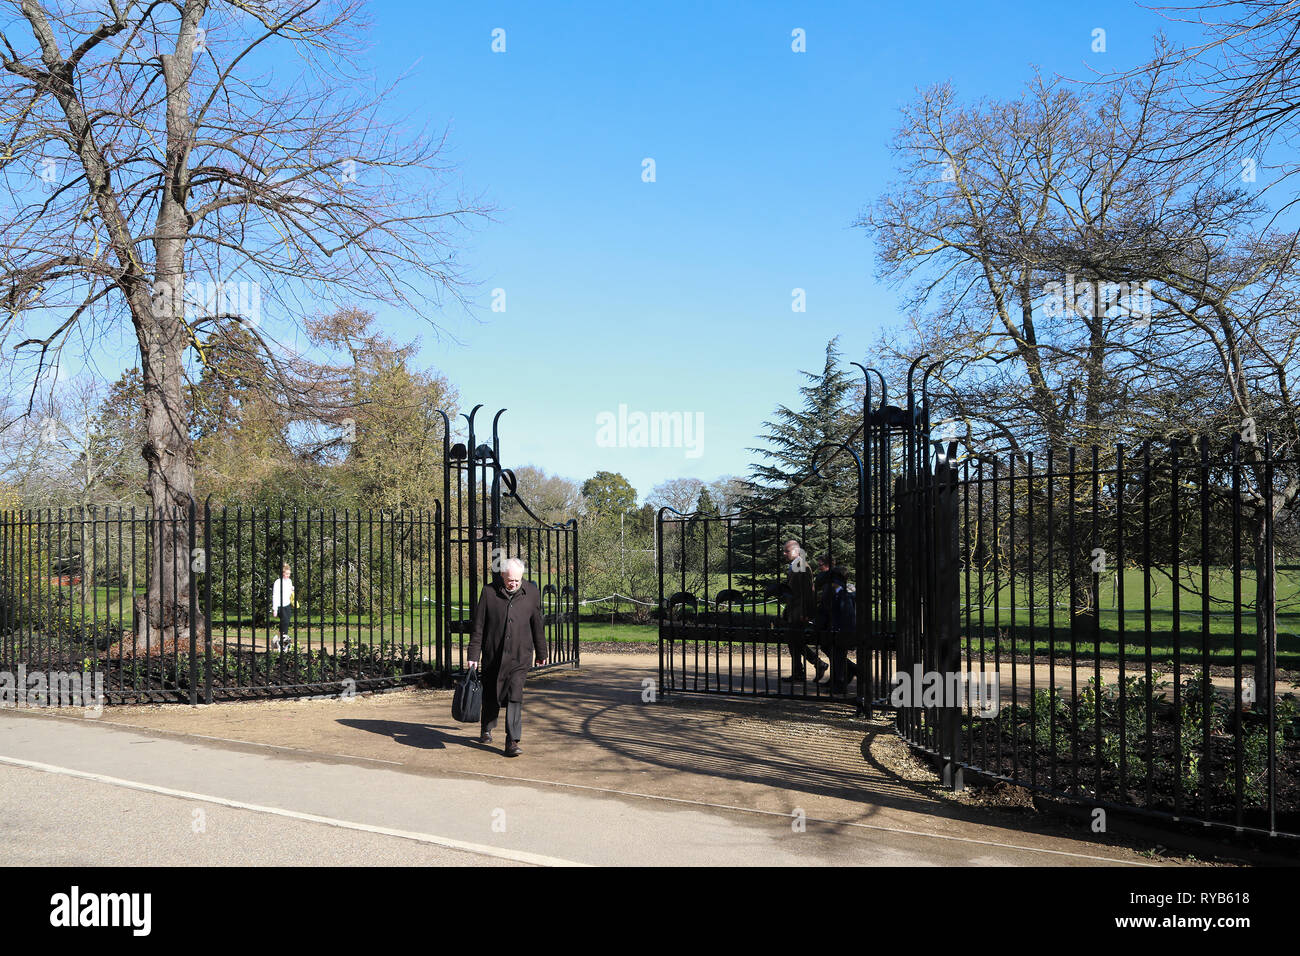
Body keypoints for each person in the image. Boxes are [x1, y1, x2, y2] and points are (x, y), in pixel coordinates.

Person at [467, 557, 547, 757]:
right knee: (492, 694)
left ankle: (512, 740)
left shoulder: (532, 593)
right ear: (502, 575)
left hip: (520, 656)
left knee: (514, 696)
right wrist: (473, 655)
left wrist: (542, 652)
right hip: (493, 654)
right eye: (510, 579)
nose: (514, 584)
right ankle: (486, 726)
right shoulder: (488, 592)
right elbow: (478, 627)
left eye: (517, 580)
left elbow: (537, 625)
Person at [780, 539, 826, 683]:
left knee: (795, 641)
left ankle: (816, 664)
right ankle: (800, 671)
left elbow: (807, 592)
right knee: (793, 641)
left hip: (800, 612)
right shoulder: (795, 566)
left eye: (787, 551)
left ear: (797, 551)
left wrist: (805, 613)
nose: (784, 553)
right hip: (793, 611)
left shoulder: (802, 566)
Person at [825, 566, 858, 694]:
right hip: (840, 628)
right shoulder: (844, 589)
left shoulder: (844, 591)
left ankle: (840, 683)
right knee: (837, 655)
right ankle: (842, 679)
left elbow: (847, 613)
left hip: (842, 629)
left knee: (838, 656)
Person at [270, 562, 294, 651]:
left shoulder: (289, 581)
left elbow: (290, 591)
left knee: (286, 623)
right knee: (284, 623)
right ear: (283, 573)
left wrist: (292, 589)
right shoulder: (278, 582)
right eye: (286, 574)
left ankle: (279, 641)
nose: (288, 575)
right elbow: (275, 595)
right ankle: (282, 643)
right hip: (280, 605)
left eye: (289, 574)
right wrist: (275, 609)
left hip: (287, 605)